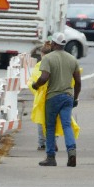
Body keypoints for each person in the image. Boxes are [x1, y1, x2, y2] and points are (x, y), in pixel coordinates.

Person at [30, 31, 82, 167]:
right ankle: (72, 152)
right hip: (68, 97)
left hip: (53, 97)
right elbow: (78, 81)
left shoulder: (48, 58)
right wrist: (75, 97)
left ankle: (51, 157)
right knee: (66, 125)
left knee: (50, 127)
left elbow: (44, 77)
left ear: (53, 43)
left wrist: (36, 85)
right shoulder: (72, 59)